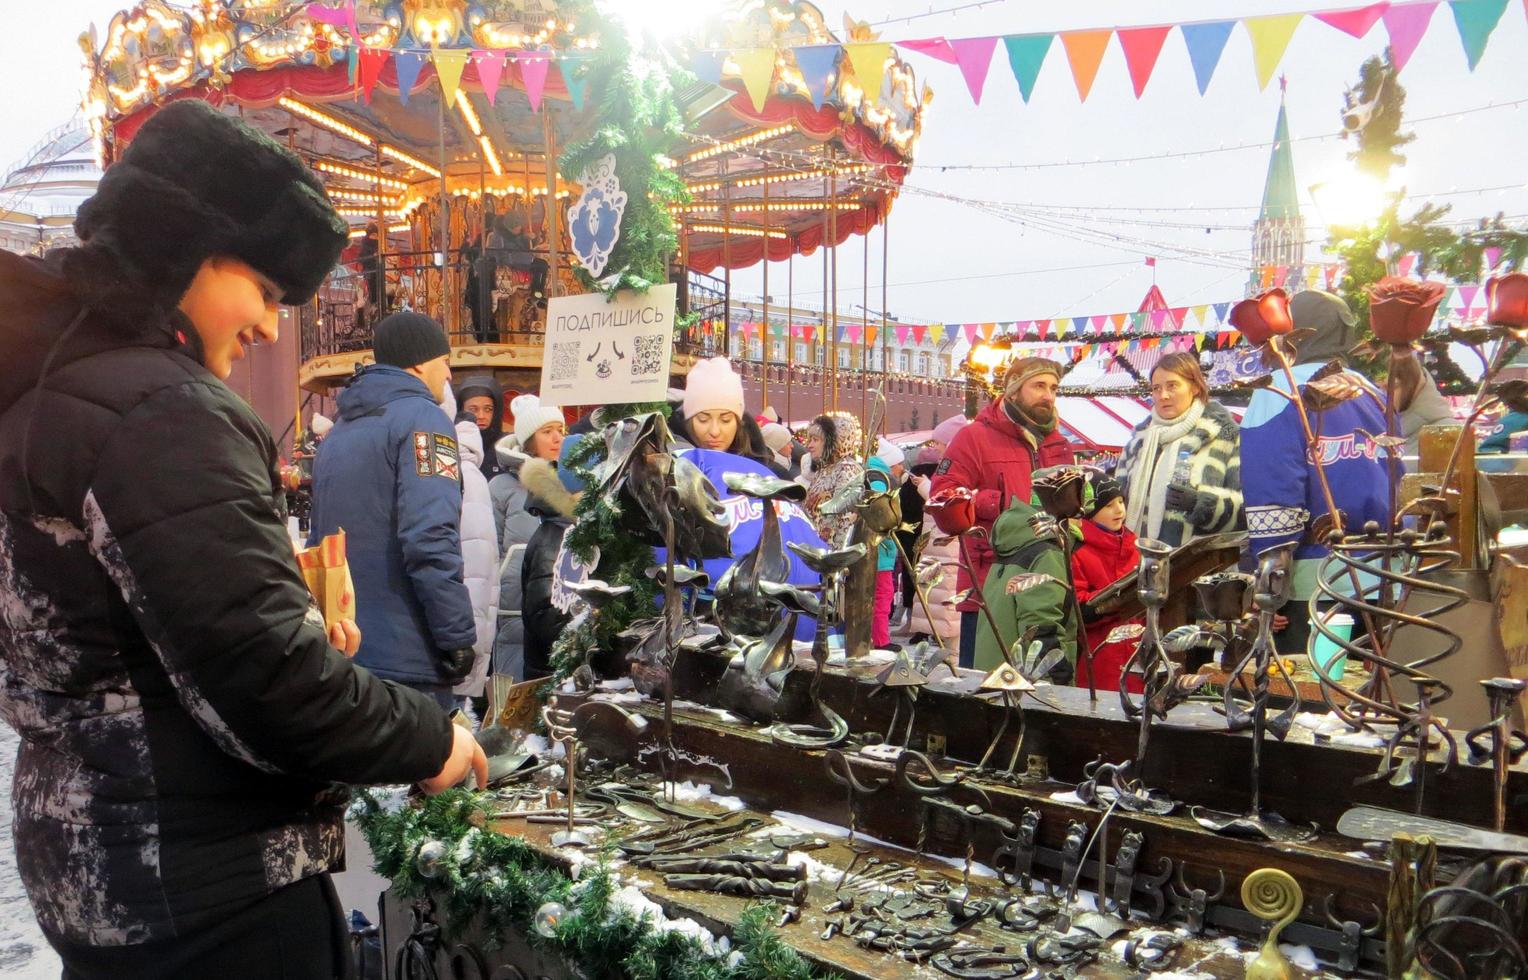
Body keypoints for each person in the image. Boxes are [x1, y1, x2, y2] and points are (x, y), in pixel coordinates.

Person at [0, 99, 484, 977]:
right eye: (264, 289)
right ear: (188, 251)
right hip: (209, 892)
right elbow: (266, 685)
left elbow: (126, 648)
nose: (269, 324)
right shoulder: (162, 410)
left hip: (103, 871)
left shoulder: (52, 395)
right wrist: (431, 738)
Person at [308, 312, 479, 708]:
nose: (449, 374)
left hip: (348, 646)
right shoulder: (427, 422)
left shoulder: (339, 433)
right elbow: (430, 536)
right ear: (420, 362)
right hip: (408, 653)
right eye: (445, 361)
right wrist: (455, 636)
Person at [1241, 290, 1394, 654]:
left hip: (1312, 582)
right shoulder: (1370, 392)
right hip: (1383, 576)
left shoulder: (1280, 391)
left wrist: (1270, 578)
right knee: (1368, 693)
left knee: (1306, 695)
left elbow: (1273, 483)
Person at [930, 357, 1074, 668]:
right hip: (987, 585)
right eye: (1038, 386)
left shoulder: (1058, 442)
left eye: (1053, 388)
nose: (1048, 395)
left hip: (1047, 586)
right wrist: (1002, 505)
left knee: (1040, 684)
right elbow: (942, 496)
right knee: (983, 687)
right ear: (1012, 391)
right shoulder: (974, 437)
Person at [1116, 351, 1243, 546]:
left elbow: (1246, 511)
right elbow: (1116, 504)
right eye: (1156, 388)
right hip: (1138, 561)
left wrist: (1201, 503)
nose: (1163, 395)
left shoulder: (1225, 435)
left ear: (1194, 387)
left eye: (1172, 386)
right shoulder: (1139, 441)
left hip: (1199, 566)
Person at [488, 393, 566, 683]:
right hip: (511, 607)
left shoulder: (571, 484)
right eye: (547, 432)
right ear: (529, 440)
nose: (557, 438)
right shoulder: (501, 487)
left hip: (556, 607)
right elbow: (489, 548)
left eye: (560, 430)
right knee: (513, 690)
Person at [972, 491, 1077, 681]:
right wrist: (1057, 679)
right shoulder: (1046, 553)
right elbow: (1040, 625)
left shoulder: (1014, 539)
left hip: (995, 670)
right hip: (1025, 683)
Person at [441, 384, 499, 722]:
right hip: (461, 621)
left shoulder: (461, 472)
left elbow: (475, 560)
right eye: (474, 408)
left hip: (453, 624)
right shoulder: (466, 471)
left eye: (488, 409)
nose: (482, 417)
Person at [521, 434, 586, 679]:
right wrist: (597, 616)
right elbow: (547, 619)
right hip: (553, 675)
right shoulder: (556, 539)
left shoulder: (575, 532)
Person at [1071, 473, 1142, 694]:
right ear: (1090, 512)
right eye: (1109, 505)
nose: (1119, 510)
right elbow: (1076, 608)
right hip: (1099, 653)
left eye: (1121, 501)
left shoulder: (1135, 547)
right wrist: (1115, 600)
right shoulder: (1079, 551)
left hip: (1137, 652)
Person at [674, 356, 790, 478]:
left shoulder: (771, 477)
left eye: (725, 420)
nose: (714, 431)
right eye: (703, 420)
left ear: (738, 422)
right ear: (689, 422)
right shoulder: (670, 471)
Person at [905, 447, 961, 651]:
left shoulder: (951, 474)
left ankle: (955, 664)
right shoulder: (946, 472)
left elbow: (947, 504)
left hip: (945, 553)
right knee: (942, 610)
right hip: (938, 553)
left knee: (948, 614)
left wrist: (927, 487)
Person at [804, 411, 865, 545]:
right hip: (814, 548)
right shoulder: (824, 470)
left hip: (829, 555)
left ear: (834, 442)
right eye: (810, 440)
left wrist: (833, 558)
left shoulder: (847, 469)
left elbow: (845, 521)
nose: (809, 445)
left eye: (816, 440)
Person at [867, 450, 902, 650]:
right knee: (882, 596)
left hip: (874, 550)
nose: (901, 468)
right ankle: (880, 639)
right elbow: (881, 512)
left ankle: (873, 637)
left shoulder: (869, 476)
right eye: (898, 463)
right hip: (880, 550)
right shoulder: (880, 481)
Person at [455, 373, 506, 481]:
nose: (481, 416)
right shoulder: (452, 445)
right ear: (461, 410)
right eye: (473, 410)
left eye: (488, 409)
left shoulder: (507, 447)